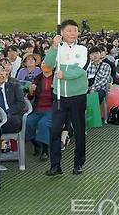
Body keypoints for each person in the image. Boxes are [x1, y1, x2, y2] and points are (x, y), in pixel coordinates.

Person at [44, 19, 89, 176]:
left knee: (78, 130)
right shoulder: (57, 48)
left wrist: (65, 75)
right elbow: (48, 65)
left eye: (75, 30)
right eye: (68, 30)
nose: (72, 33)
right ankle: (55, 166)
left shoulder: (83, 49)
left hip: (77, 96)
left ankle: (78, 163)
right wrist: (54, 47)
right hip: (60, 96)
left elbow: (81, 69)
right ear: (61, 32)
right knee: (55, 131)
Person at [26, 63, 55, 160]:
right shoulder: (37, 78)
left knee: (43, 124)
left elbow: (61, 97)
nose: (45, 65)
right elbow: (30, 97)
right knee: (27, 121)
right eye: (43, 63)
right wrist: (30, 92)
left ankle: (45, 150)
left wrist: (55, 89)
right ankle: (37, 144)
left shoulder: (57, 78)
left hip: (52, 108)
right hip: (38, 108)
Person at [0, 62, 27, 134]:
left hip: (12, 117)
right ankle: (1, 142)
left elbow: (21, 103)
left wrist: (5, 113)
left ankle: (0, 142)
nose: (2, 73)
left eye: (3, 70)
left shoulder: (15, 87)